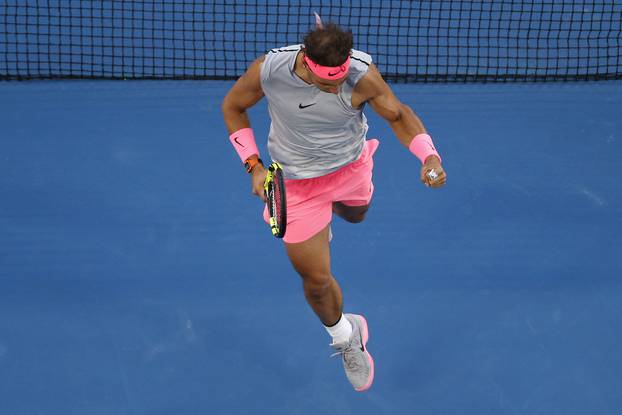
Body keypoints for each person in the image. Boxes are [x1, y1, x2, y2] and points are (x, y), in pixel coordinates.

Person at [221, 17, 446, 392]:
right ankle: (346, 335)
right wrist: (254, 166)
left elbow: (399, 115)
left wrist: (430, 157)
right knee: (316, 281)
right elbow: (232, 106)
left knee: (357, 215)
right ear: (307, 63)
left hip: (349, 169)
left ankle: (330, 215)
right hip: (295, 184)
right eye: (328, 80)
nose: (336, 85)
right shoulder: (270, 70)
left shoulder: (361, 76)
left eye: (339, 78)